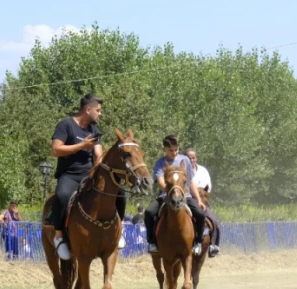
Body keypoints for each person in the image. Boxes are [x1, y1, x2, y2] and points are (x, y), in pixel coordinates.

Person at [48, 94, 126, 261]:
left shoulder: (94, 130)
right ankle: (59, 237)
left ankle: (119, 231)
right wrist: (81, 146)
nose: (100, 113)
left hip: (89, 175)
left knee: (120, 193)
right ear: (88, 109)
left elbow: (98, 154)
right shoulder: (66, 125)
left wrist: (102, 167)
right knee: (62, 196)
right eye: (98, 110)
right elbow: (55, 150)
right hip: (69, 175)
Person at [143, 135, 208, 256]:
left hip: (186, 196)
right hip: (166, 196)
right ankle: (152, 242)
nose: (174, 152)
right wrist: (173, 191)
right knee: (149, 212)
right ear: (164, 150)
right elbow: (161, 182)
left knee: (200, 213)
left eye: (176, 149)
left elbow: (191, 181)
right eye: (171, 150)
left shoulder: (186, 160)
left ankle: (198, 242)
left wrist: (198, 199)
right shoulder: (160, 163)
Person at [185, 149, 221, 257]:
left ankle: (213, 246)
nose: (191, 160)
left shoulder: (203, 170)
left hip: (202, 200)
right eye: (189, 158)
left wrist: (202, 194)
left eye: (193, 158)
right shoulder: (183, 170)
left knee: (214, 221)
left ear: (196, 158)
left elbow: (208, 187)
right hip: (188, 199)